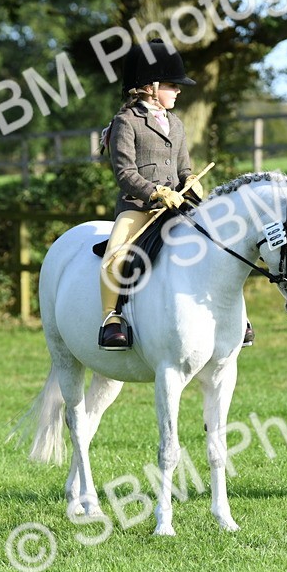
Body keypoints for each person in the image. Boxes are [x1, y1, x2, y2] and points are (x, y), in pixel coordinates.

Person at [98, 39, 197, 350]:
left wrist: (191, 180)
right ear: (150, 87)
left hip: (177, 206)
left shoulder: (176, 124)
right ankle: (111, 319)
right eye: (172, 85)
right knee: (115, 257)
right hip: (139, 207)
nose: (178, 91)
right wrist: (156, 192)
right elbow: (125, 173)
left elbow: (183, 167)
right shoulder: (125, 122)